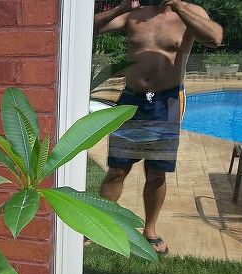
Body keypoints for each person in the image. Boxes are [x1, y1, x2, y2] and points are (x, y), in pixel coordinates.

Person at [94, 0, 223, 255]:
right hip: (132, 100)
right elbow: (91, 28)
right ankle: (98, 224)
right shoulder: (136, 15)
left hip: (167, 102)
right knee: (117, 170)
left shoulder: (191, 13)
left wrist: (178, 8)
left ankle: (150, 230)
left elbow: (215, 38)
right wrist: (121, 8)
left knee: (156, 172)